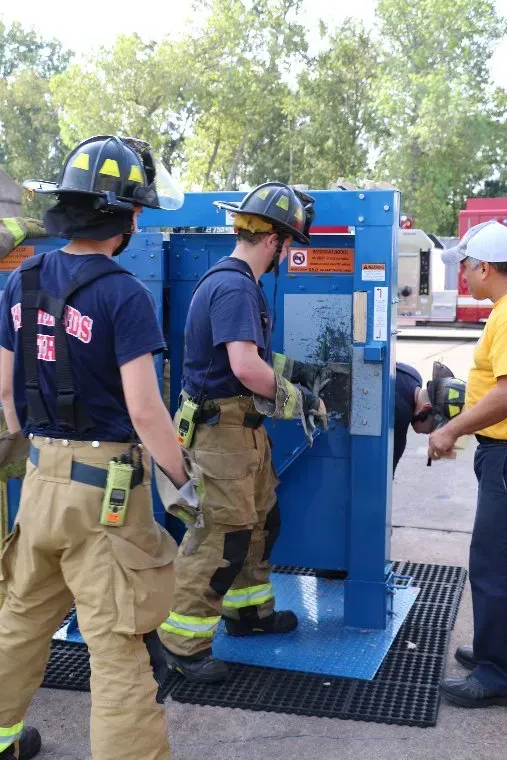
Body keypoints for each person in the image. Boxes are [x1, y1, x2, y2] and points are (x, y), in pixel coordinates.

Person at [0, 135, 192, 760]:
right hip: (104, 499)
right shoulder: (125, 295)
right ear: (125, 216)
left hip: (38, 486)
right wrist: (183, 481)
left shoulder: (21, 281)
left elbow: (4, 391)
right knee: (116, 644)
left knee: (21, 617)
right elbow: (145, 409)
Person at [158, 182, 329, 683]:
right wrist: (301, 400)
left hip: (243, 433)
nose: (288, 253)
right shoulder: (234, 286)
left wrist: (294, 367)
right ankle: (182, 644)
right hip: (222, 436)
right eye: (290, 243)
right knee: (221, 538)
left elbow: (246, 356)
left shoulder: (237, 284)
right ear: (274, 240)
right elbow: (245, 368)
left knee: (259, 524)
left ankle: (248, 614)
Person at [429, 220, 507, 708]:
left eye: (466, 266)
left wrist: (452, 428)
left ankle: (499, 675)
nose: (463, 276)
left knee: (498, 566)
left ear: (485, 266)